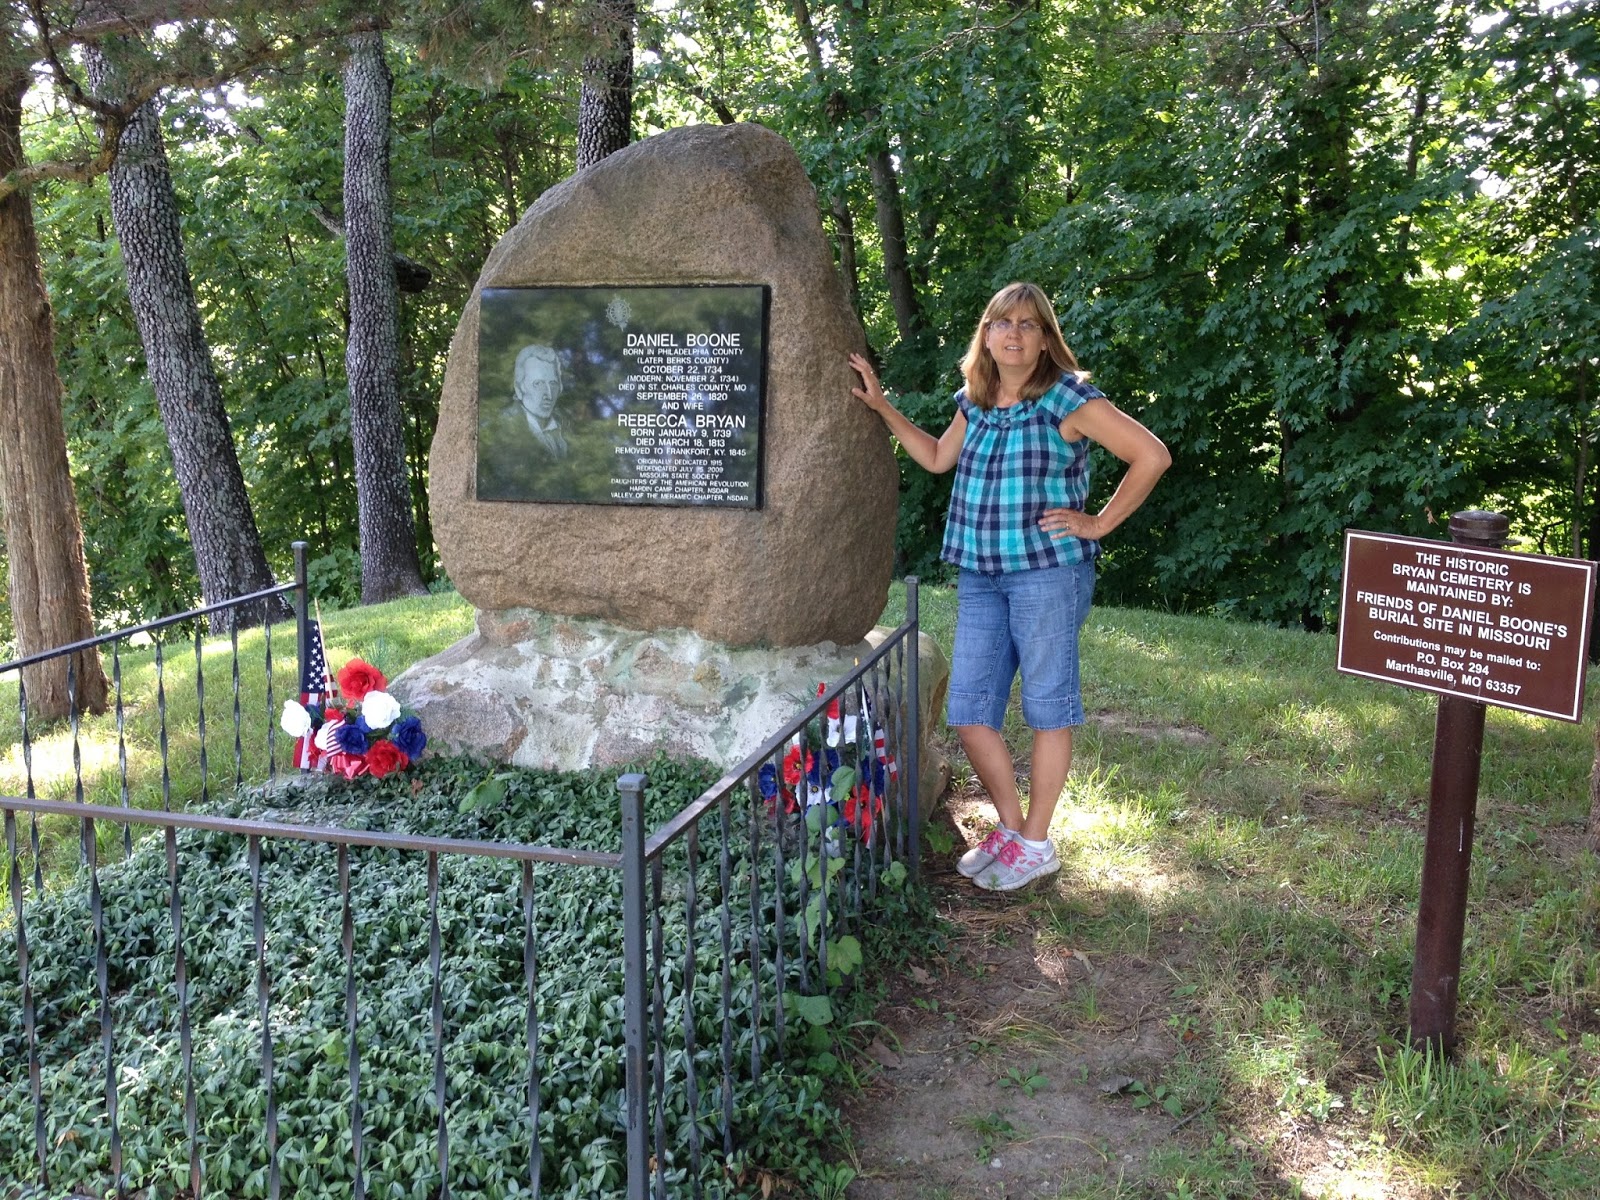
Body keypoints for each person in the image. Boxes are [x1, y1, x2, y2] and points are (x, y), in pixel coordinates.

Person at [850, 282, 1170, 891]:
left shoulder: (1067, 397)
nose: (1014, 334)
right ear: (987, 333)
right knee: (970, 709)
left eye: (1028, 324)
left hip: (1049, 572)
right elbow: (939, 459)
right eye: (1002, 322)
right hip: (981, 573)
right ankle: (1018, 831)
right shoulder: (974, 399)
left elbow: (1150, 455)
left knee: (1048, 706)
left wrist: (1097, 522)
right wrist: (883, 408)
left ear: (1045, 337)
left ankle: (1038, 841)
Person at [512, 343, 569, 458]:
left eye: (553, 383)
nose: (548, 394)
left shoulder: (566, 428)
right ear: (519, 388)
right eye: (538, 383)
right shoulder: (505, 428)